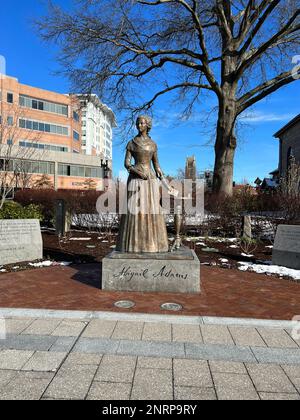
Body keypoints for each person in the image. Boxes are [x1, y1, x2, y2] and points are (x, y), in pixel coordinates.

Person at [116, 115, 169, 253]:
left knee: (151, 210)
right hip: (135, 179)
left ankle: (152, 244)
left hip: (150, 180)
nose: (139, 125)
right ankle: (133, 245)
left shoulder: (153, 144)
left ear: (147, 125)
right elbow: (126, 163)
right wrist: (137, 172)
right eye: (138, 123)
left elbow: (156, 165)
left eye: (142, 123)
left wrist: (165, 181)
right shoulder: (131, 143)